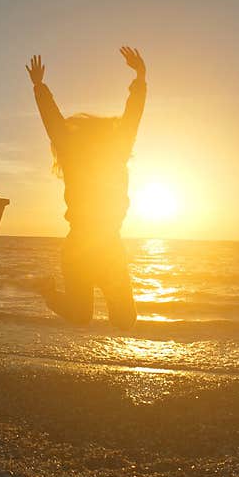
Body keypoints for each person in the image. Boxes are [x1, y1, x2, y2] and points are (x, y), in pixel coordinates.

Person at [26, 47, 147, 329]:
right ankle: (47, 289)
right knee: (81, 316)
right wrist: (39, 88)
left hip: (109, 245)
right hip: (80, 245)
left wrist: (140, 77)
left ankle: (50, 290)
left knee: (126, 321)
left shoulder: (117, 152)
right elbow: (53, 124)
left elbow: (133, 116)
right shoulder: (73, 156)